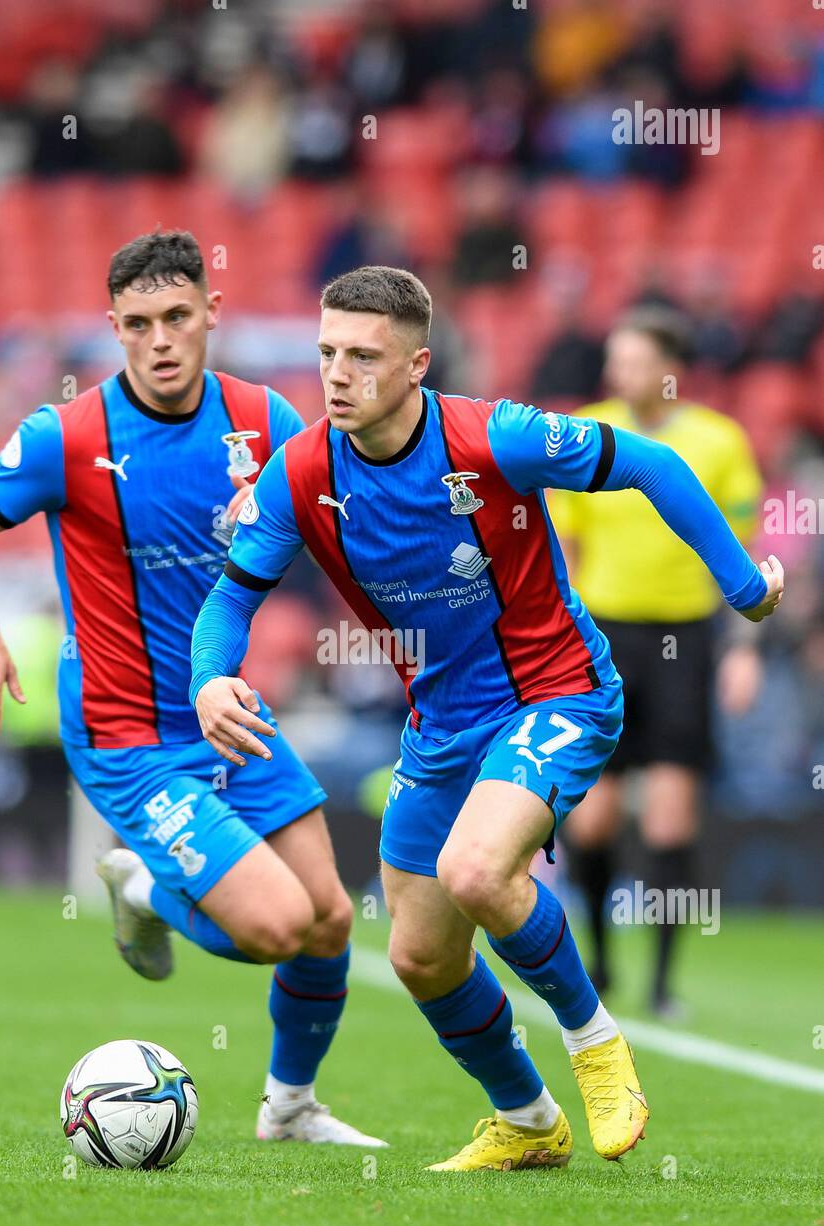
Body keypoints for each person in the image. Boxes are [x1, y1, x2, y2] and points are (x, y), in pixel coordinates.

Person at [190, 265, 783, 1173]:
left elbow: (654, 464)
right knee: (422, 956)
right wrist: (209, 680)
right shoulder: (300, 471)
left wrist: (743, 586)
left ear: (418, 364)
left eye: (363, 356)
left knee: (476, 868)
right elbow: (232, 598)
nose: (337, 374)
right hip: (442, 726)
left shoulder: (494, 435)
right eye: (326, 354)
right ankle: (528, 1120)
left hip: (560, 691)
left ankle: (595, 1043)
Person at [0, 230, 384, 1149]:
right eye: (137, 324)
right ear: (114, 328)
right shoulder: (67, 436)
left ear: (211, 314)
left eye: (177, 317)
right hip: (126, 736)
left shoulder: (265, 419)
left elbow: (340, 525)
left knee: (332, 917)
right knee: (274, 928)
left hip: (227, 717)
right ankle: (144, 886)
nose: (160, 341)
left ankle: (290, 1108)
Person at [551, 308, 764, 1014]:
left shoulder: (720, 441)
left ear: (671, 370)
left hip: (687, 639)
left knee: (671, 817)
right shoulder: (587, 434)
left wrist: (742, 649)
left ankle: (664, 982)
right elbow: (568, 552)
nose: (622, 373)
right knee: (594, 817)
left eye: (636, 360)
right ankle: (602, 966)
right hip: (604, 636)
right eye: (617, 359)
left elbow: (739, 554)